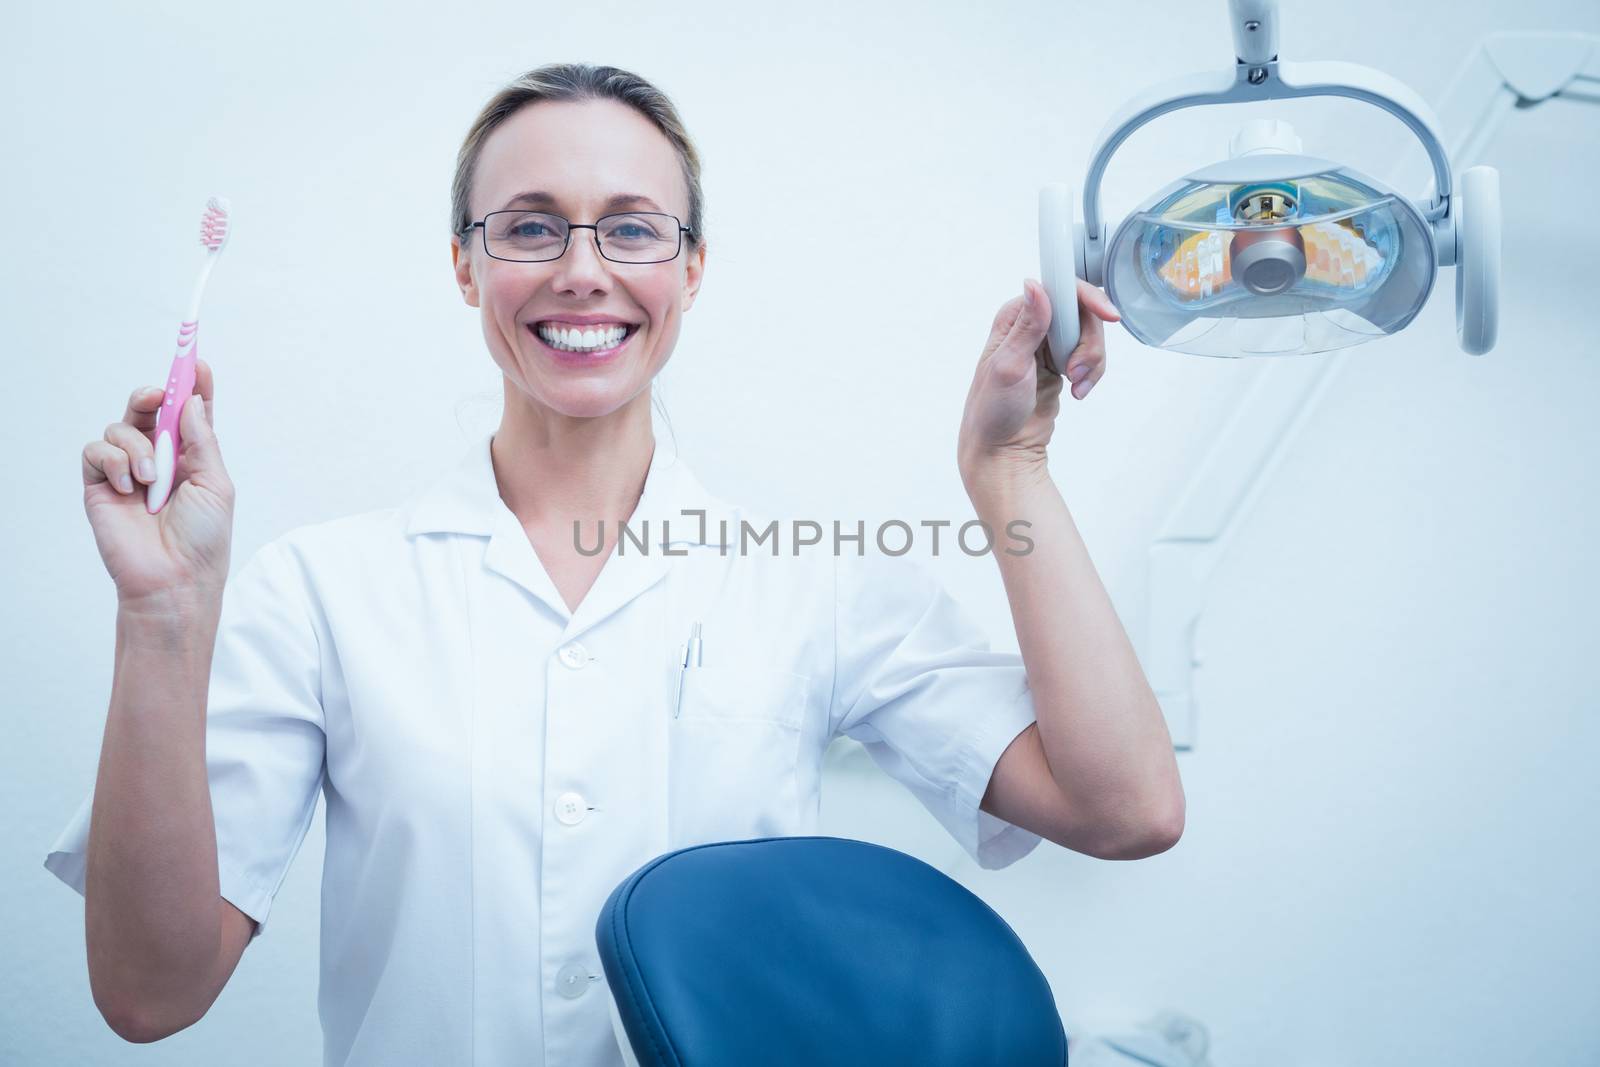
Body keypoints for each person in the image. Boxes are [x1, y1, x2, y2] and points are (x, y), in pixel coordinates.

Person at [47, 62, 1184, 1066]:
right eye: (531, 226)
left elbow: (1124, 804)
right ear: (463, 264)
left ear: (692, 270)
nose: (582, 269)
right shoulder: (324, 592)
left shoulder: (810, 580)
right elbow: (150, 992)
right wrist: (162, 615)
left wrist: (1012, 467)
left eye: (634, 228)